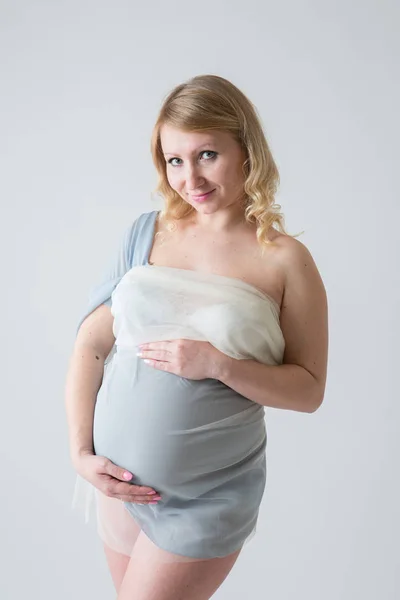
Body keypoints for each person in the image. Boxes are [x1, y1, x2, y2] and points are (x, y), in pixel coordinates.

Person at [65, 74, 328, 599]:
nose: (191, 178)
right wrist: (80, 454)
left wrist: (219, 364)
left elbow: (309, 390)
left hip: (207, 495)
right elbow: (91, 346)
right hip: (120, 484)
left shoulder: (285, 261)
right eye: (174, 160)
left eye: (207, 154)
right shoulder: (145, 232)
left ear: (246, 149)